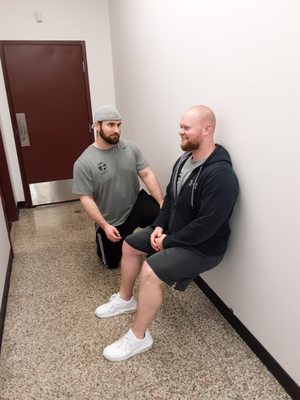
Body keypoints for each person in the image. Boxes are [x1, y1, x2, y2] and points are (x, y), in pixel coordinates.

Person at [95, 105, 239, 361]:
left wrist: (168, 241)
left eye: (186, 127)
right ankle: (127, 299)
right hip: (174, 232)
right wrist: (160, 225)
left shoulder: (220, 175)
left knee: (151, 270)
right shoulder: (184, 160)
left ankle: (139, 338)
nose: (180, 131)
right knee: (130, 245)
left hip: (204, 247)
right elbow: (169, 199)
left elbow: (208, 225)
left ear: (207, 130)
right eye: (180, 126)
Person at [73, 105, 164, 269]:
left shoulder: (130, 148)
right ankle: (102, 235)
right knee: (111, 263)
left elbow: (146, 174)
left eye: (119, 124)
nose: (116, 130)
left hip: (136, 204)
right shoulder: (84, 162)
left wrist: (161, 202)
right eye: (110, 125)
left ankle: (154, 252)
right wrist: (105, 225)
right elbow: (86, 198)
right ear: (97, 126)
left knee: (165, 218)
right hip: (112, 220)